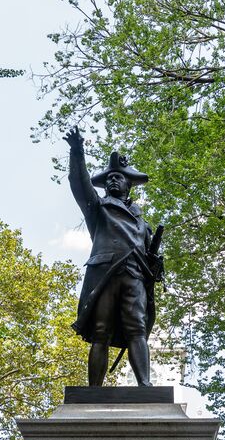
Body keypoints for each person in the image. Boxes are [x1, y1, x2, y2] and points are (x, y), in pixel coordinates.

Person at [65, 127, 164, 386]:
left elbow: (150, 256)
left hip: (135, 275)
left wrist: (157, 265)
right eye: (109, 178)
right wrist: (77, 152)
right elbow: (79, 184)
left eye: (119, 178)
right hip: (106, 274)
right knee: (101, 332)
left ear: (129, 184)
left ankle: (145, 385)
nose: (112, 181)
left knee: (137, 329)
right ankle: (94, 390)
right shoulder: (98, 209)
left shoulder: (143, 221)